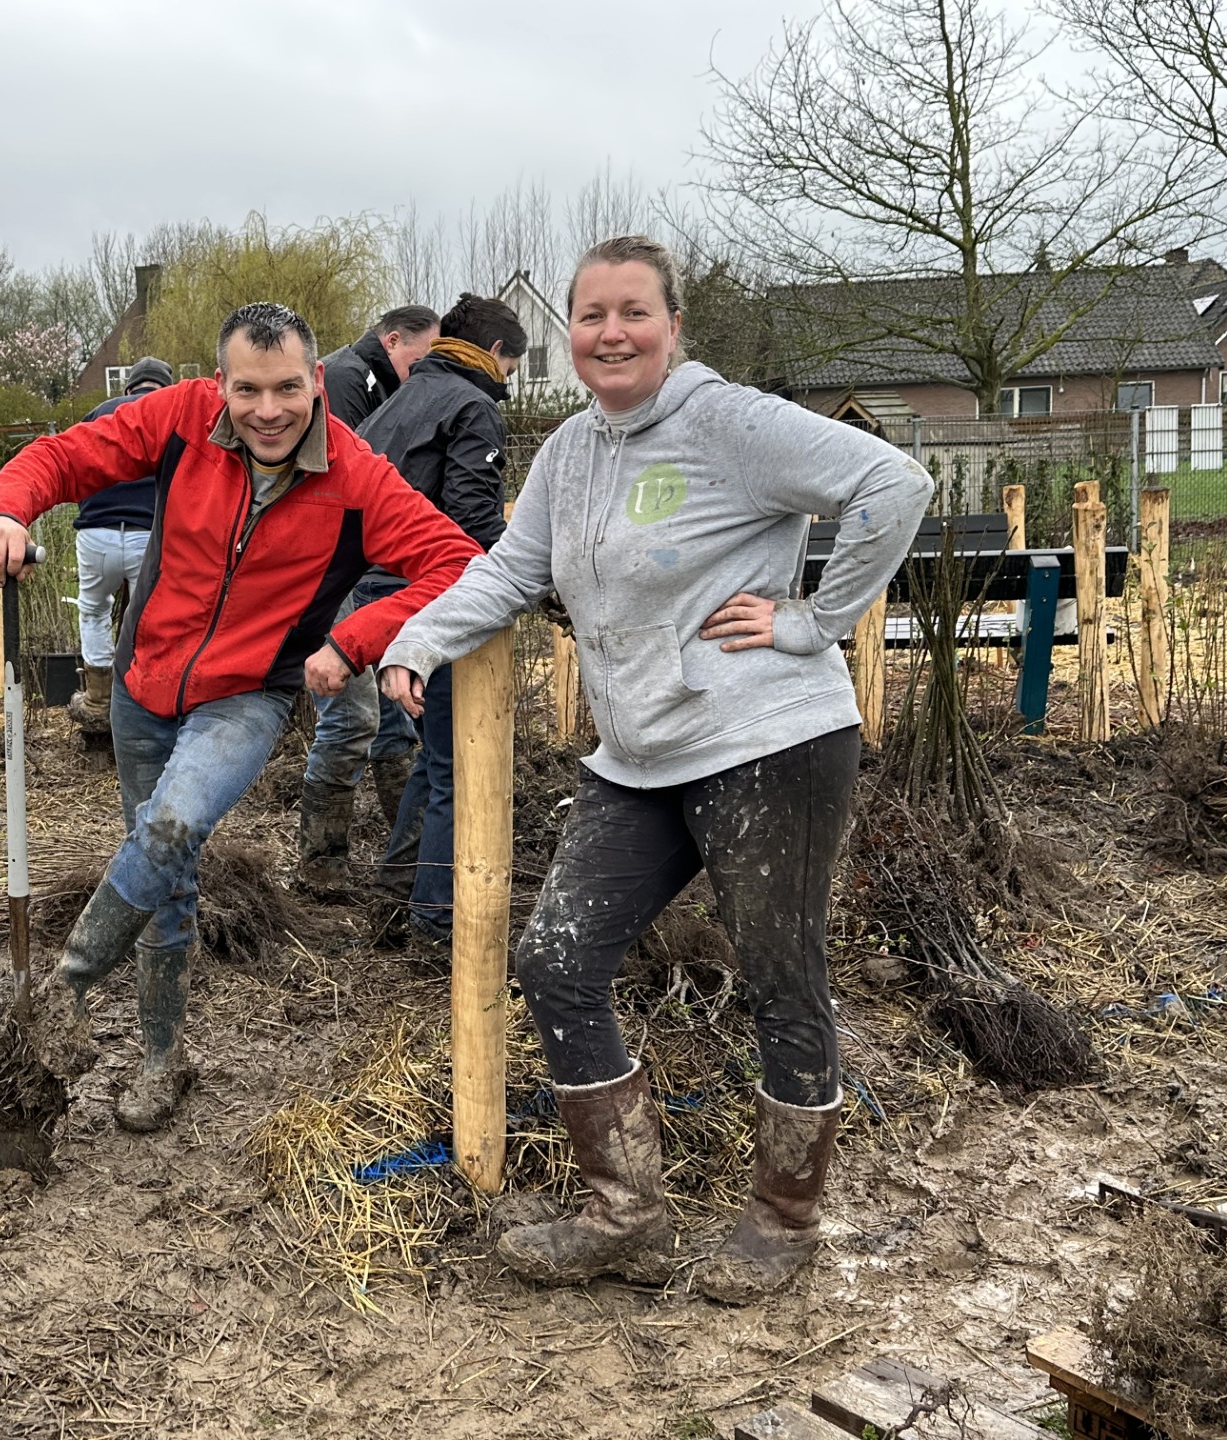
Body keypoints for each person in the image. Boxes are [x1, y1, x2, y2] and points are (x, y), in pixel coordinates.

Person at [378, 236, 933, 1300]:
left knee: (780, 976)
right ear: (569, 336)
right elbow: (507, 572)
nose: (612, 333)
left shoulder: (725, 422)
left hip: (768, 746)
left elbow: (892, 482)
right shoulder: (571, 455)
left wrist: (815, 621)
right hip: (638, 759)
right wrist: (416, 640)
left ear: (674, 327)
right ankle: (624, 1209)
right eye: (592, 315)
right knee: (557, 963)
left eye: (634, 312)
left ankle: (783, 1216)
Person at [0, 303, 481, 1134]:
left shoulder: (355, 475)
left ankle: (62, 990)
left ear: (317, 382)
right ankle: (164, 1056)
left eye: (287, 389)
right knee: (162, 875)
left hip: (249, 693)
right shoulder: (179, 420)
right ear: (221, 385)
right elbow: (65, 456)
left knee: (171, 828)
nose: (268, 410)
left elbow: (456, 561)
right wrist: (5, 509)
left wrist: (355, 640)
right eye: (248, 389)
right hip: (143, 685)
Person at [348, 294, 528, 940]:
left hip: (374, 596)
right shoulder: (471, 406)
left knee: (432, 756)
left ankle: (399, 889)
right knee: (459, 764)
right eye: (513, 368)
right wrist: (523, 582)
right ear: (498, 355)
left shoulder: (393, 405)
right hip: (430, 599)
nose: (509, 384)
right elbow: (473, 524)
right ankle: (435, 922)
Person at [294, 304, 441, 888]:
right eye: (420, 359)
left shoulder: (375, 383)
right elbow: (331, 495)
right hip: (326, 578)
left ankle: (406, 858)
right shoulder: (350, 383)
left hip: (354, 575)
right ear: (393, 339)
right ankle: (321, 864)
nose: (423, 373)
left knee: (386, 720)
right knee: (354, 717)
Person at [69, 355, 173, 732]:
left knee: (94, 610)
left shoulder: (99, 412)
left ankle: (98, 700)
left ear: (129, 386)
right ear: (164, 386)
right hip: (149, 533)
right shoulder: (169, 412)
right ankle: (152, 701)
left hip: (96, 532)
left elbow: (76, 461)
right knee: (153, 618)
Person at [320, 305, 440, 430]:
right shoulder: (345, 378)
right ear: (392, 342)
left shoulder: (373, 382)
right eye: (418, 362)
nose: (421, 374)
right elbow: (344, 447)